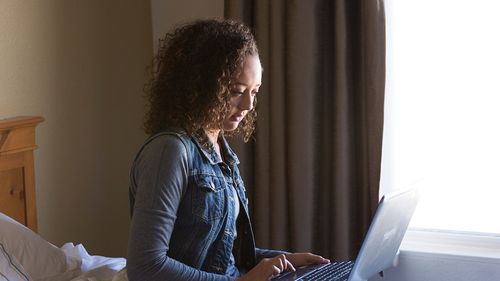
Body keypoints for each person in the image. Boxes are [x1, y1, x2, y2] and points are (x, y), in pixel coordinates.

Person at [127, 19, 329, 281]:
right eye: (236, 91)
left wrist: (283, 260)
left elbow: (221, 254)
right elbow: (146, 267)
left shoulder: (221, 150)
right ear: (201, 85)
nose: (248, 104)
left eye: (254, 92)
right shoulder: (169, 151)